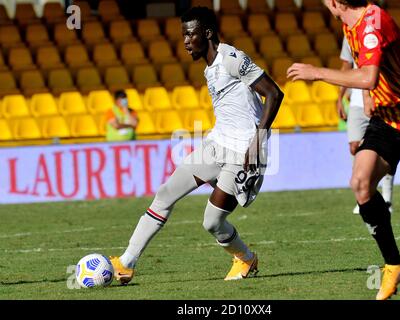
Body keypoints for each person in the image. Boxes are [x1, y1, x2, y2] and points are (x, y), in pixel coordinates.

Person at [287, 0, 400, 300]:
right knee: (361, 183)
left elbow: (369, 75)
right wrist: (369, 93)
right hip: (386, 120)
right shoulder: (349, 22)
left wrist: (317, 72)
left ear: (336, 2)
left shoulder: (373, 22)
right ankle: (394, 265)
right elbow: (371, 73)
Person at [109, 6, 284, 284]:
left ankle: (246, 258)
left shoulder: (232, 59)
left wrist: (257, 142)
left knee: (212, 222)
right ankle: (126, 263)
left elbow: (274, 94)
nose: (186, 41)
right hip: (217, 143)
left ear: (208, 33)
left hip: (244, 152)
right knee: (166, 193)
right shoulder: (209, 68)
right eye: (183, 35)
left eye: (191, 34)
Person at [337, 37, 394, 215]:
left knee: (385, 151)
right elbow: (346, 67)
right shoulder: (349, 35)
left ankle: (387, 199)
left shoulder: (379, 31)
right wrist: (340, 97)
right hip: (356, 102)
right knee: (355, 147)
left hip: (381, 100)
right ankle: (365, 197)